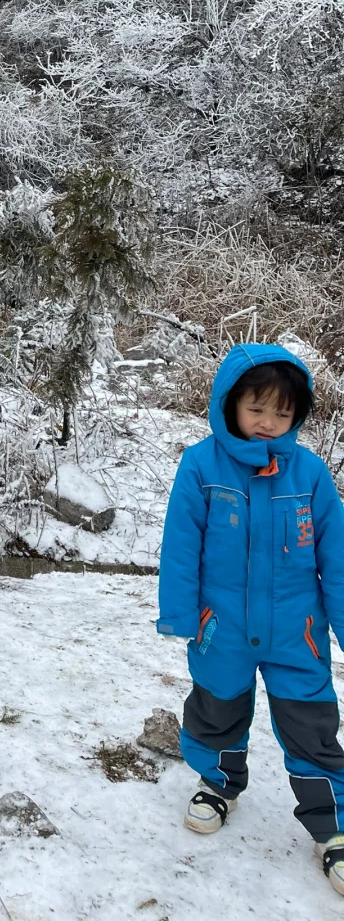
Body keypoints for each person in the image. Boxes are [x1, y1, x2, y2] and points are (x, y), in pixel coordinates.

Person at [157, 343, 344, 895]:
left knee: (311, 723)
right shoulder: (200, 465)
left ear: (297, 416)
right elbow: (180, 545)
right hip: (224, 629)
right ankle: (217, 784)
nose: (268, 423)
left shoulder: (309, 474)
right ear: (231, 403)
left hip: (297, 632)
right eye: (257, 408)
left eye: (282, 413)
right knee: (216, 710)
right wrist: (181, 614)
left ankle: (332, 824)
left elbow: (336, 559)